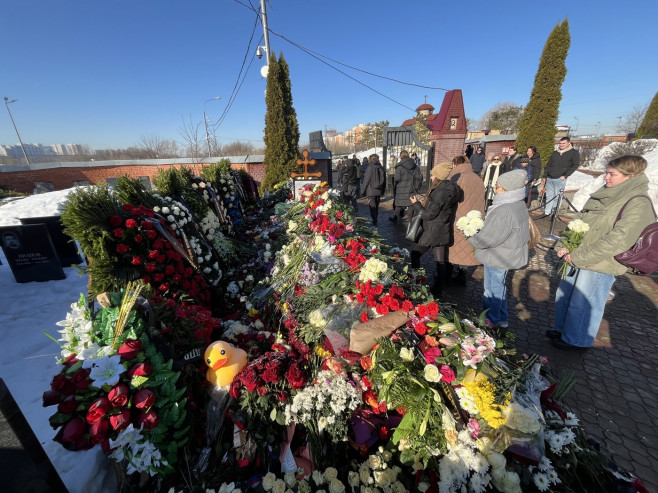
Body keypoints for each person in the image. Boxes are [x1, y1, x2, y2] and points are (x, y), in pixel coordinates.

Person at [548, 155, 654, 350]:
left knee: (585, 302)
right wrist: (565, 242)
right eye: (606, 172)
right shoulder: (606, 193)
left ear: (630, 176)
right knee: (566, 295)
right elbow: (580, 219)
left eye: (612, 174)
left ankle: (577, 340)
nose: (606, 177)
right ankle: (563, 330)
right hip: (577, 256)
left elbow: (618, 240)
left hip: (600, 263)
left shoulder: (638, 203)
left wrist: (579, 256)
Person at [468, 169, 530, 329]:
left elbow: (488, 238)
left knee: (492, 289)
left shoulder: (504, 209)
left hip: (499, 255)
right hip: (506, 253)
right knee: (498, 287)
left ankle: (491, 320)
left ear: (507, 188)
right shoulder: (517, 203)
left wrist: (470, 236)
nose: (495, 187)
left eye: (499, 185)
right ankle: (501, 319)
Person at [409, 161, 460, 297]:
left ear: (438, 177)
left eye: (433, 175)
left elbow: (428, 214)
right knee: (440, 261)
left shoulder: (440, 193)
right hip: (443, 229)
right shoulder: (452, 188)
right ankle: (438, 290)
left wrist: (416, 204)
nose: (431, 177)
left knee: (415, 254)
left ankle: (416, 281)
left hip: (432, 230)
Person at [448, 155, 485, 285]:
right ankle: (462, 272)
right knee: (467, 246)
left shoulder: (458, 178)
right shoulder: (477, 178)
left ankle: (452, 272)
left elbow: (450, 198)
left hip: (458, 217)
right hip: (474, 218)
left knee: (455, 246)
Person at [538, 137, 580, 218]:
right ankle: (547, 212)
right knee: (549, 196)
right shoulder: (555, 153)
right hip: (550, 177)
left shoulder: (573, 153)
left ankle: (554, 213)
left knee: (557, 196)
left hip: (560, 178)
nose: (561, 145)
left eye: (563, 143)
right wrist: (545, 176)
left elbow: (575, 165)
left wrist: (566, 175)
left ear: (568, 143)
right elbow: (548, 165)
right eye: (560, 143)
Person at [389, 150, 418, 223]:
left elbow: (396, 178)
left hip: (401, 188)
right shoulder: (414, 165)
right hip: (411, 187)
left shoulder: (399, 167)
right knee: (411, 204)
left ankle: (395, 218)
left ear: (400, 156)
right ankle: (409, 219)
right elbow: (418, 176)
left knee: (399, 204)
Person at [361, 154, 386, 226]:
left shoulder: (370, 168)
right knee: (376, 207)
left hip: (371, 191)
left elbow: (366, 180)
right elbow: (384, 181)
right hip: (378, 191)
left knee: (372, 207)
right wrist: (383, 191)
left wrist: (363, 191)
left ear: (371, 159)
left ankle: (374, 221)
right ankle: (375, 220)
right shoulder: (381, 167)